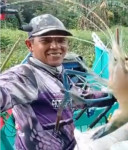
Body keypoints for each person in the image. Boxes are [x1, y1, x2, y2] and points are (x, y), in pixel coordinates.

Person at [0, 14, 114, 150]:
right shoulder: (24, 76)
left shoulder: (59, 73)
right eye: (46, 41)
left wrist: (115, 95)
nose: (55, 46)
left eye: (61, 40)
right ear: (30, 45)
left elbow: (80, 98)